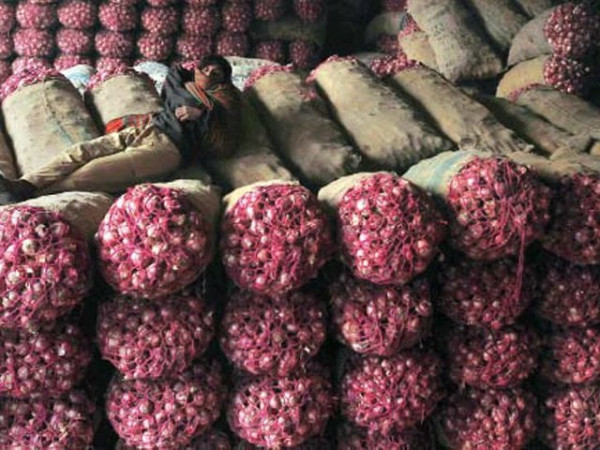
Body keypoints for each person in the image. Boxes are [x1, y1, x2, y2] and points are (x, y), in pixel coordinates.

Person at [0, 55, 242, 200]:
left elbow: (225, 144)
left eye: (216, 73)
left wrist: (201, 115)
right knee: (81, 151)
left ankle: (32, 197)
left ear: (224, 80)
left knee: (93, 173)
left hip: (168, 149)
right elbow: (177, 71)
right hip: (147, 128)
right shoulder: (181, 84)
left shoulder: (221, 103)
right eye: (205, 69)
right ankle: (25, 184)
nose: (209, 74)